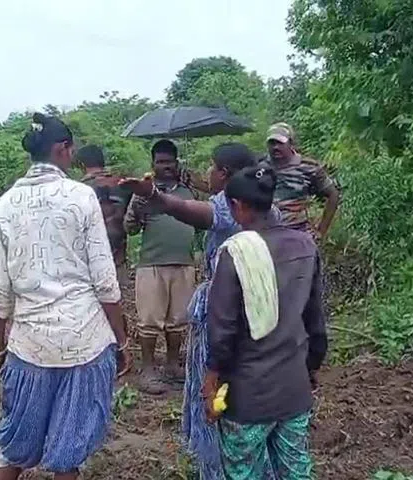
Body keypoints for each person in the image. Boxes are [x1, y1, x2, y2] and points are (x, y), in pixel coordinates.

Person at [0, 113, 131, 480]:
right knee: (69, 449)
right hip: (84, 340)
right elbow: (104, 279)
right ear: (63, 149)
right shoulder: (81, 197)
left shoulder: (7, 202)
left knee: (14, 445)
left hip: (29, 343)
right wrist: (122, 338)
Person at [121, 142, 274, 479]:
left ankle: (223, 461)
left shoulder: (230, 206)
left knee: (218, 389)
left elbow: (194, 212)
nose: (208, 172)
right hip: (260, 313)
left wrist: (157, 197)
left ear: (225, 174)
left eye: (213, 167)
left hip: (227, 309)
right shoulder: (267, 207)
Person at [202, 166, 327, 479]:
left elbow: (222, 330)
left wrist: (211, 381)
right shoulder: (305, 245)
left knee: (244, 471)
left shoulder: (235, 252)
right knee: (296, 469)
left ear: (237, 206)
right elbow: (315, 321)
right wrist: (311, 368)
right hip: (293, 387)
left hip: (249, 395)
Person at [124, 139, 196, 393]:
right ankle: (148, 370)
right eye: (160, 162)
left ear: (177, 163)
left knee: (179, 319)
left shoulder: (188, 190)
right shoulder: (143, 192)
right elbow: (130, 228)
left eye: (169, 162)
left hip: (184, 263)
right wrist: (139, 210)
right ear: (153, 164)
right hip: (152, 264)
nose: (165, 166)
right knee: (150, 320)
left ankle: (173, 366)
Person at [264, 123, 341, 239]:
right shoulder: (259, 167)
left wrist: (321, 231)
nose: (275, 147)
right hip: (267, 235)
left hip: (298, 234)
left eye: (280, 143)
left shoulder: (308, 166)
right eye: (272, 143)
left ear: (291, 143)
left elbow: (333, 194)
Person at [77, 145, 133, 295]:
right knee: (119, 300)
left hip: (89, 262)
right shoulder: (122, 184)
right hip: (119, 257)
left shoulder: (77, 189)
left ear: (81, 165)